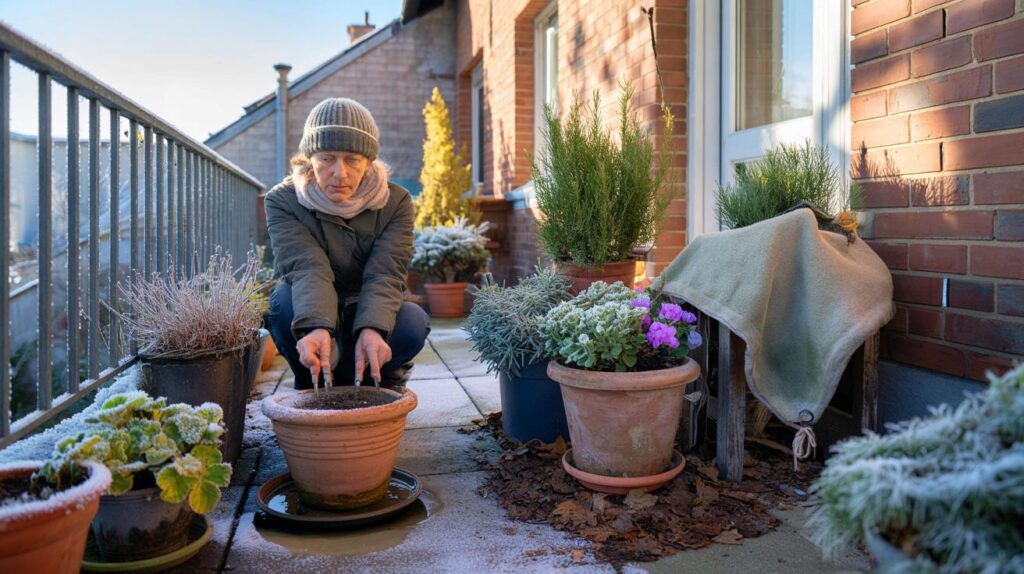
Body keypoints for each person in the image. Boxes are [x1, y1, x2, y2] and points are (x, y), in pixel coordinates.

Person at [265, 97, 428, 391]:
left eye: (352, 159)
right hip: (310, 305)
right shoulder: (283, 201)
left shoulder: (396, 202)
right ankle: (311, 374)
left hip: (367, 306)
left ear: (368, 162)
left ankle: (381, 376)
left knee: (413, 320)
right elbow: (306, 267)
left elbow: (386, 272)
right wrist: (316, 327)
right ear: (310, 158)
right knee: (281, 303)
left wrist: (373, 328)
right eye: (326, 157)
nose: (339, 173)